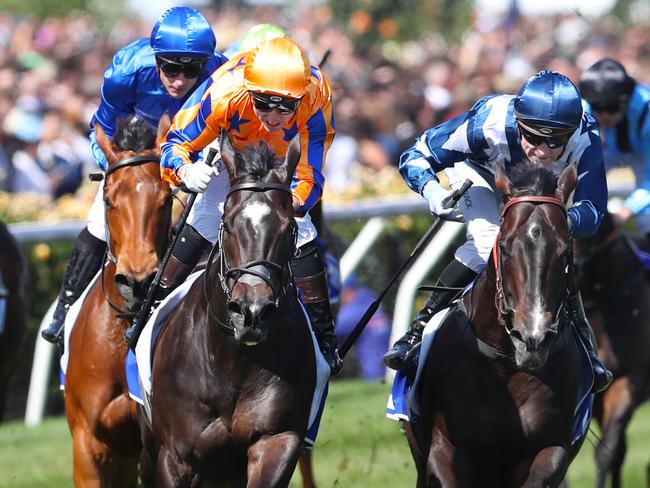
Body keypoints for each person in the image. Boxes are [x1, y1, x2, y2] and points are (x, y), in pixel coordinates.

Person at [382, 70, 612, 393]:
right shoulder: (487, 122)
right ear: (518, 122)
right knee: (490, 240)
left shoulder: (586, 135)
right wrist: (433, 191)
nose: (542, 151)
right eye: (532, 137)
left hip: (543, 195)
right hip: (483, 177)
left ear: (572, 132)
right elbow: (417, 154)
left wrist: (561, 221)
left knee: (551, 246)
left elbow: (593, 210)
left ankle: (585, 346)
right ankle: (418, 330)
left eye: (556, 141)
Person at [123, 37, 341, 374]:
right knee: (206, 219)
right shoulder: (225, 91)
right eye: (264, 103)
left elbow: (310, 175)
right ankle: (148, 312)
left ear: (302, 97)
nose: (274, 115)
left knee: (302, 232)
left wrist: (287, 206)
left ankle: (324, 336)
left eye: (286, 106)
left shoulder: (317, 96)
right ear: (248, 91)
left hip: (282, 164)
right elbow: (176, 143)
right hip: (232, 159)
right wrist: (184, 170)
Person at [41, 6, 228, 345]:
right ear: (156, 61)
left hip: (193, 150)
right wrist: (119, 172)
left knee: (214, 217)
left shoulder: (221, 76)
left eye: (191, 71)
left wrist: (190, 169)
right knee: (101, 219)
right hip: (137, 151)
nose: (180, 81)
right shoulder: (126, 72)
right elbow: (103, 129)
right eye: (171, 69)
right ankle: (65, 307)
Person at [579, 59, 650, 241]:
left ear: (626, 100)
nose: (605, 115)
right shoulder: (583, 108)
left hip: (642, 152)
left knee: (646, 219)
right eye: (598, 108)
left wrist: (626, 211)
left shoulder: (646, 109)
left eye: (612, 107)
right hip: (606, 153)